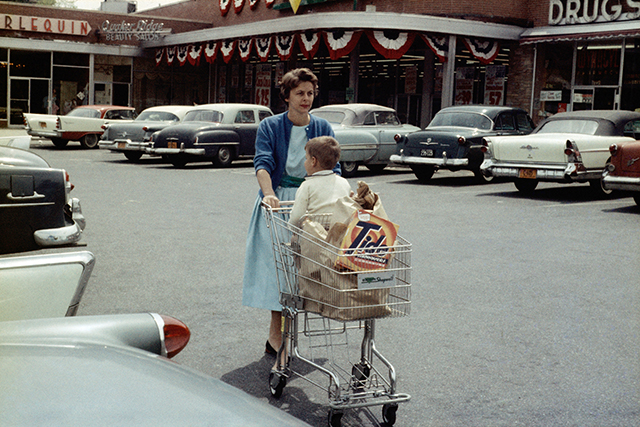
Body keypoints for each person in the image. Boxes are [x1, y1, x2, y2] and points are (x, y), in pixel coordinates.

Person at [242, 68, 340, 359]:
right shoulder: (271, 126)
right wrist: (269, 193)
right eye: (299, 93)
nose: (306, 98)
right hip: (280, 203)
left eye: (310, 93)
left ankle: (285, 336)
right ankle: (278, 335)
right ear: (286, 96)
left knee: (308, 273)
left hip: (314, 201)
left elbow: (334, 169)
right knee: (280, 275)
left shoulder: (323, 127)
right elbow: (262, 162)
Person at [289, 136, 352, 227]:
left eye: (306, 158)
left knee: (295, 238)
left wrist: (291, 227)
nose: (305, 162)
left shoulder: (307, 185)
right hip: (340, 232)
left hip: (315, 234)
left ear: (313, 161)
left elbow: (297, 217)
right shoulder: (344, 183)